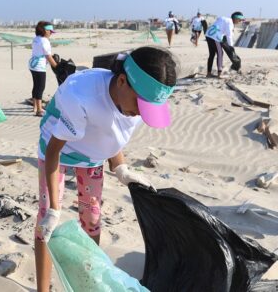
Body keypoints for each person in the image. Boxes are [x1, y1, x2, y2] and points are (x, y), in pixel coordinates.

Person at [34, 46, 178, 291]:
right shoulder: (80, 96)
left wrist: (120, 168)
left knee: (92, 220)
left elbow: (110, 135)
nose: (139, 115)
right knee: (46, 223)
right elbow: (53, 152)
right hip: (59, 153)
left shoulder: (130, 104)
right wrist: (55, 209)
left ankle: (89, 284)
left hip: (92, 159)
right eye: (140, 106)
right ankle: (42, 288)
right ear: (122, 81)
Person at [29, 21, 58, 117]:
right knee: (40, 87)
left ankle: (35, 107)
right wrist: (56, 66)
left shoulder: (36, 39)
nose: (51, 34)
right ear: (45, 31)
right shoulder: (45, 41)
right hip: (39, 66)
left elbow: (40, 51)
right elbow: (48, 56)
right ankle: (39, 110)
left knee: (36, 85)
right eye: (50, 31)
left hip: (32, 65)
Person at [206, 11, 244, 78]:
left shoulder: (225, 19)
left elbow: (226, 32)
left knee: (212, 54)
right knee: (220, 53)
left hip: (208, 34)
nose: (240, 21)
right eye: (239, 20)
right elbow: (229, 35)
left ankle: (208, 73)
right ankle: (219, 74)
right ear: (235, 18)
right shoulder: (230, 23)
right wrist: (231, 46)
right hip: (215, 37)